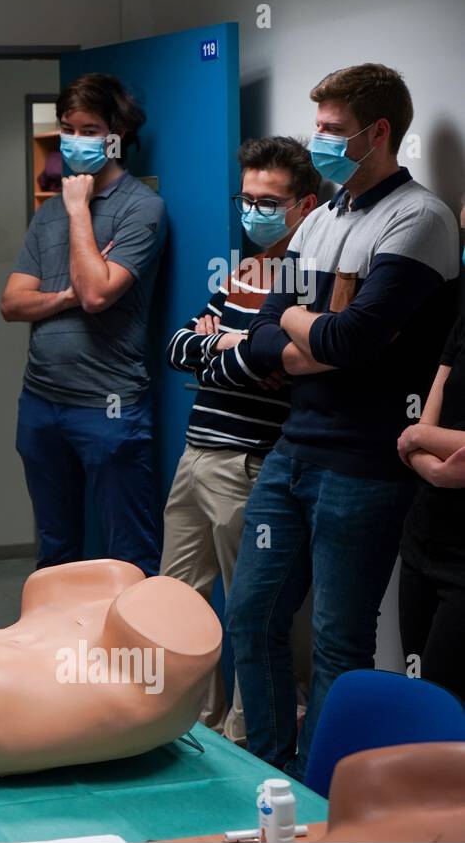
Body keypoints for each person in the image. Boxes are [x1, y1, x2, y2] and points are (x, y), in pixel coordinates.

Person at [218, 64, 459, 777]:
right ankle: (267, 775)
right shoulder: (320, 219)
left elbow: (351, 341)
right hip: (294, 450)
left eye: (328, 129)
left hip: (365, 466)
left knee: (337, 641)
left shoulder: (421, 219)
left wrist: (316, 331)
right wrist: (318, 330)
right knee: (252, 616)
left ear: (377, 133)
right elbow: (267, 338)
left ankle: (321, 798)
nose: (315, 140)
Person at [162, 136, 318, 744]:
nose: (252, 210)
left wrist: (226, 347)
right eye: (246, 197)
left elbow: (271, 366)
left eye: (268, 200)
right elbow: (180, 346)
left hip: (247, 464)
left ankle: (249, 735)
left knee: (252, 611)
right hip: (195, 452)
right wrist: (230, 347)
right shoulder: (247, 270)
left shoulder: (307, 275)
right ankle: (191, 723)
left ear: (304, 204)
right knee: (177, 600)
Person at [1, 73, 168, 575]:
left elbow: (97, 295)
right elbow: (11, 303)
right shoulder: (47, 214)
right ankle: (65, 655)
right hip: (41, 404)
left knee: (130, 556)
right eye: (68, 128)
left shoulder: (142, 207)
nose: (75, 140)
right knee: (55, 555)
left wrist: (79, 209)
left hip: (108, 407)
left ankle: (135, 657)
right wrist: (66, 296)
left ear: (117, 134)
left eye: (90, 128)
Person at [396, 204, 465, 701]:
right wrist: (424, 450)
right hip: (424, 538)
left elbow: (417, 435)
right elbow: (422, 426)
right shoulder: (461, 299)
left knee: (449, 707)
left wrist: (419, 441)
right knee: (419, 699)